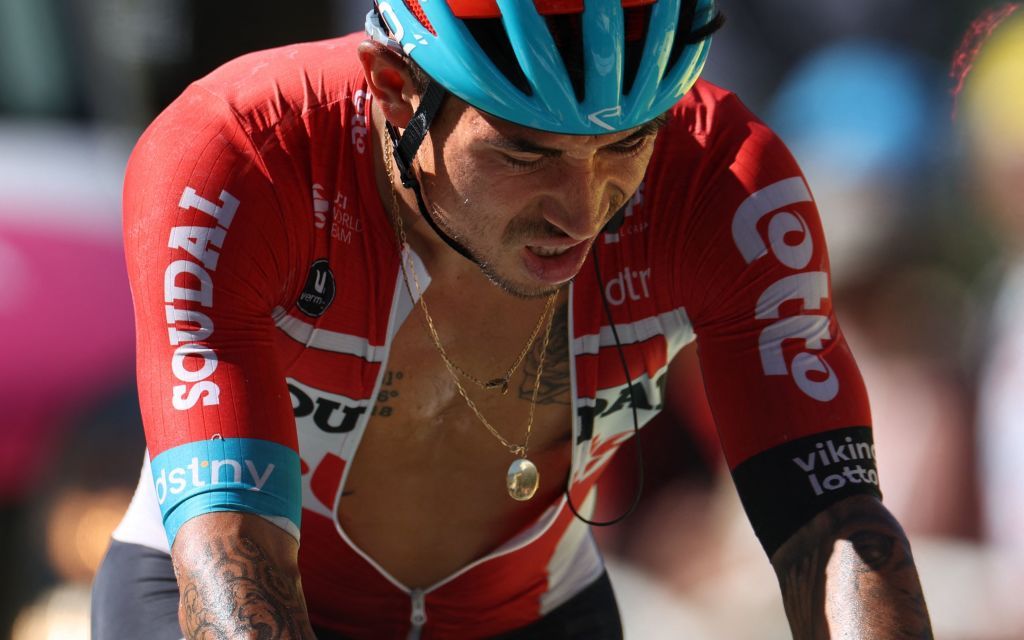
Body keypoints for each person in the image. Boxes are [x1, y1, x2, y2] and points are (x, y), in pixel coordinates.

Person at [92, 1, 933, 638]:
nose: (582, 210)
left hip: (528, 615)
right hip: (244, 587)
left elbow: (836, 531)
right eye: (523, 152)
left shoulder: (727, 185)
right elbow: (236, 556)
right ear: (396, 89)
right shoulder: (241, 159)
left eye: (625, 144)